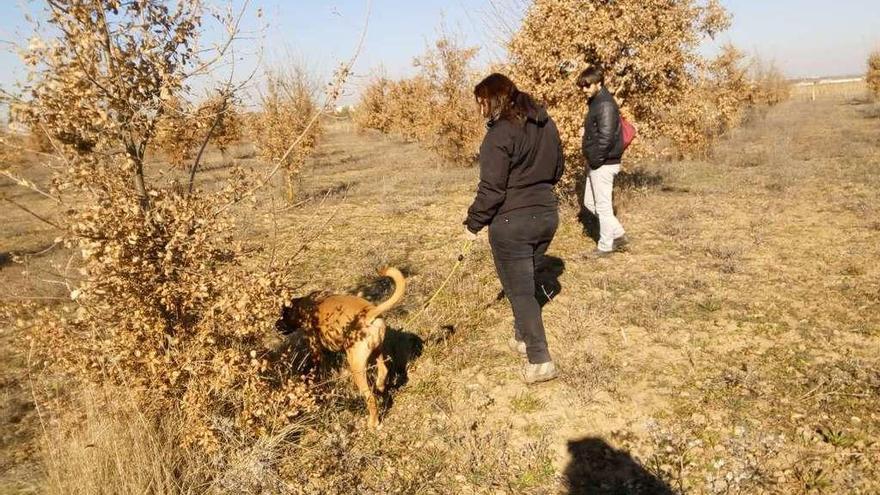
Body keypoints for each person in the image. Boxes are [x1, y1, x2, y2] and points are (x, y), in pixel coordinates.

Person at [464, 73, 564, 384]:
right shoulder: (546, 124)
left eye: (481, 102)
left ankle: (540, 359)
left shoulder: (499, 135)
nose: (480, 109)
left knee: (519, 290)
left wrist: (473, 223)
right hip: (547, 216)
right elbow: (558, 169)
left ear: (491, 100)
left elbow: (491, 190)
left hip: (512, 223)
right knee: (527, 282)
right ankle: (522, 337)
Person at [578, 66, 628, 257]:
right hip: (599, 162)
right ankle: (619, 234)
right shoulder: (596, 102)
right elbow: (599, 132)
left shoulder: (605, 104)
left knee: (602, 206)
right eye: (582, 86)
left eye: (587, 86)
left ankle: (605, 246)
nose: (584, 89)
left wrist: (596, 160)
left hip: (603, 163)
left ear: (599, 83)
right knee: (590, 203)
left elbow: (606, 138)